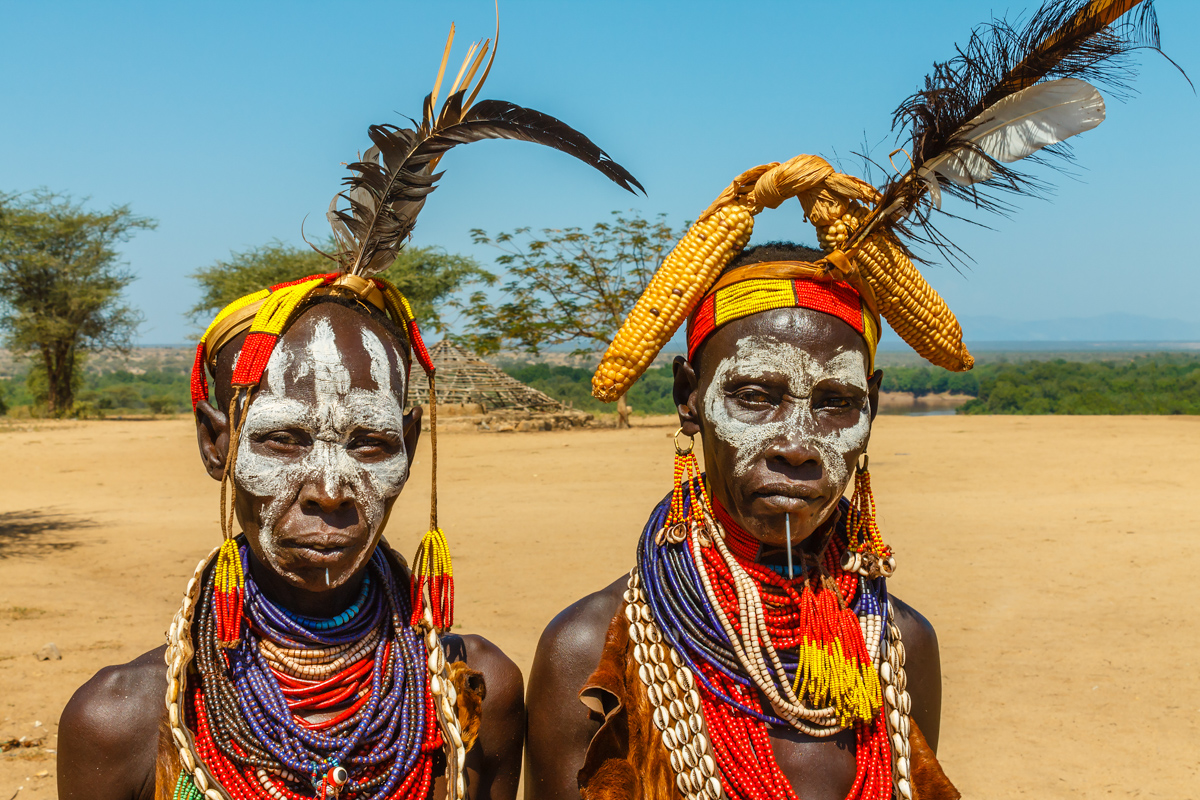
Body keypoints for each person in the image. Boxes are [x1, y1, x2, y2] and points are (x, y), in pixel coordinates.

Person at [527, 2, 1170, 798]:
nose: (798, 442)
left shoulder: (900, 645)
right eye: (756, 395)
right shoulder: (589, 652)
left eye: (833, 403)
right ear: (689, 399)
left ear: (871, 408)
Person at [56, 22, 640, 800]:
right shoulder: (121, 722)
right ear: (215, 442)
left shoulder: (480, 699)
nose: (329, 490)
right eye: (285, 439)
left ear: (410, 443)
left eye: (367, 443)